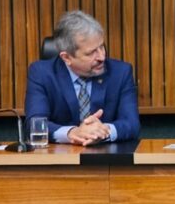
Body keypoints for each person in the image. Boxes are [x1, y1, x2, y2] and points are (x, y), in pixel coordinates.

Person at [24, 10, 140, 145]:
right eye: (91, 53)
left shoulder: (120, 72)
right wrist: (72, 133)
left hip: (108, 159)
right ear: (66, 57)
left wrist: (103, 131)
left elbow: (132, 124)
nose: (102, 57)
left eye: (101, 47)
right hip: (59, 159)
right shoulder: (42, 73)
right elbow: (34, 123)